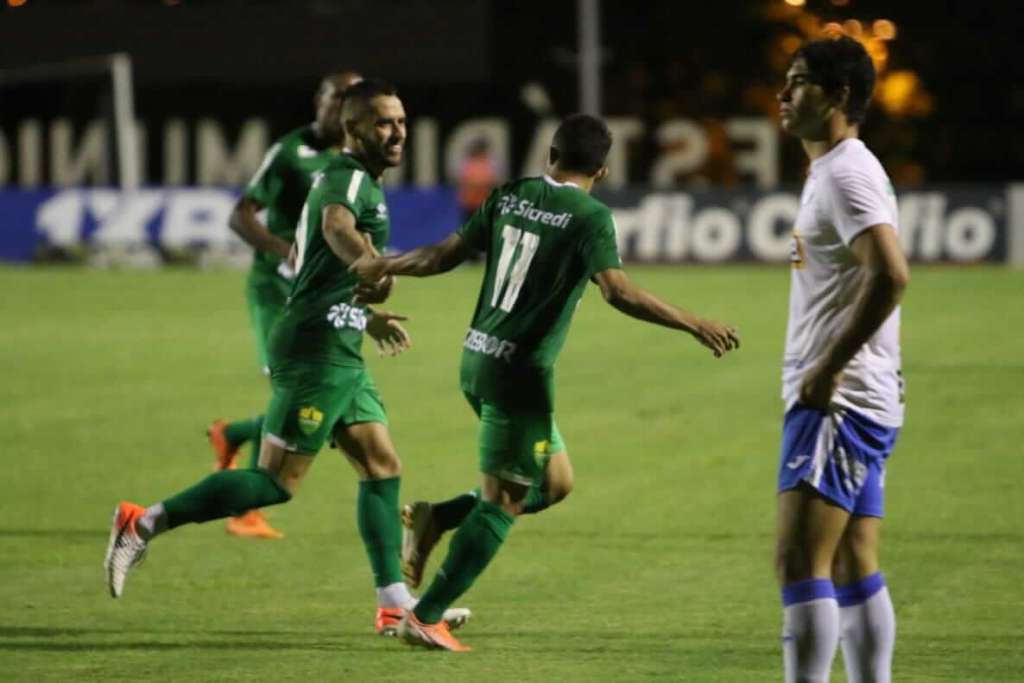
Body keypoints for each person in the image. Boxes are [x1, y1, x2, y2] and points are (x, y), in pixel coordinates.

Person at [350, 113, 740, 651]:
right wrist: (695, 323)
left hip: (475, 359)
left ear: (549, 155)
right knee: (506, 499)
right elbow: (617, 292)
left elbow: (444, 255)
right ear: (602, 171)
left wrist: (387, 264)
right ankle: (426, 616)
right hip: (521, 376)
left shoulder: (509, 195)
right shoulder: (591, 217)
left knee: (553, 482)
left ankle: (438, 518)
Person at [104, 78, 470, 637]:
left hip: (339, 341)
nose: (397, 132)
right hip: (316, 351)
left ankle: (395, 603)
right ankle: (141, 522)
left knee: (381, 465)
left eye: (401, 121)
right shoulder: (346, 181)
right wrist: (372, 264)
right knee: (275, 484)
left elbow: (314, 263)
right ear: (353, 129)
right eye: (383, 122)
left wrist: (364, 315)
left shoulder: (355, 179)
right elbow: (336, 230)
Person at [774, 36, 909, 683]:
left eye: (798, 81)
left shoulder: (846, 174)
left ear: (839, 96)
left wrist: (826, 367)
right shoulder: (837, 167)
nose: (783, 93)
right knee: (855, 562)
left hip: (840, 400)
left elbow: (890, 273)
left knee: (801, 564)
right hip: (861, 396)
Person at [208, 70, 363, 540]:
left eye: (350, 102)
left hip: (321, 296)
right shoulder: (291, 151)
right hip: (276, 291)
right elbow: (241, 215)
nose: (340, 109)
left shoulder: (355, 160)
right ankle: (246, 511)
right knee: (289, 387)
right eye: (335, 99)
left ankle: (234, 434)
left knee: (319, 394)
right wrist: (283, 252)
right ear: (319, 101)